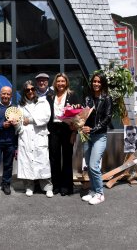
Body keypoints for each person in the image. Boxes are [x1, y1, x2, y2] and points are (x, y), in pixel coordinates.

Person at [16, 80, 53, 198]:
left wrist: (30, 120)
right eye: (27, 90)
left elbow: (46, 117)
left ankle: (47, 187)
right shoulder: (20, 105)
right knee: (27, 162)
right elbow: (19, 121)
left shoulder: (43, 102)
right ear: (24, 92)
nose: (30, 91)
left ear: (35, 90)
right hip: (25, 137)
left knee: (43, 162)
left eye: (32, 89)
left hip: (39, 136)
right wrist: (19, 128)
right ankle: (29, 186)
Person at [81, 72, 112, 205]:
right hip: (87, 136)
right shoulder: (88, 98)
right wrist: (80, 124)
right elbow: (83, 115)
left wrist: (93, 129)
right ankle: (93, 191)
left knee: (94, 165)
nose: (96, 84)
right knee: (89, 164)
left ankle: (100, 193)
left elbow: (107, 118)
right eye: (94, 81)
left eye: (99, 82)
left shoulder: (107, 98)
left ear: (103, 83)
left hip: (99, 136)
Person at [47, 73, 79, 196]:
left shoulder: (72, 95)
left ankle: (66, 187)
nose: (60, 83)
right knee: (54, 158)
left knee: (67, 158)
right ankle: (56, 186)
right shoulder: (50, 96)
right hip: (53, 130)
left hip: (67, 129)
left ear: (66, 83)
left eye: (63, 81)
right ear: (55, 83)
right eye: (58, 81)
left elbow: (77, 115)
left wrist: (74, 132)